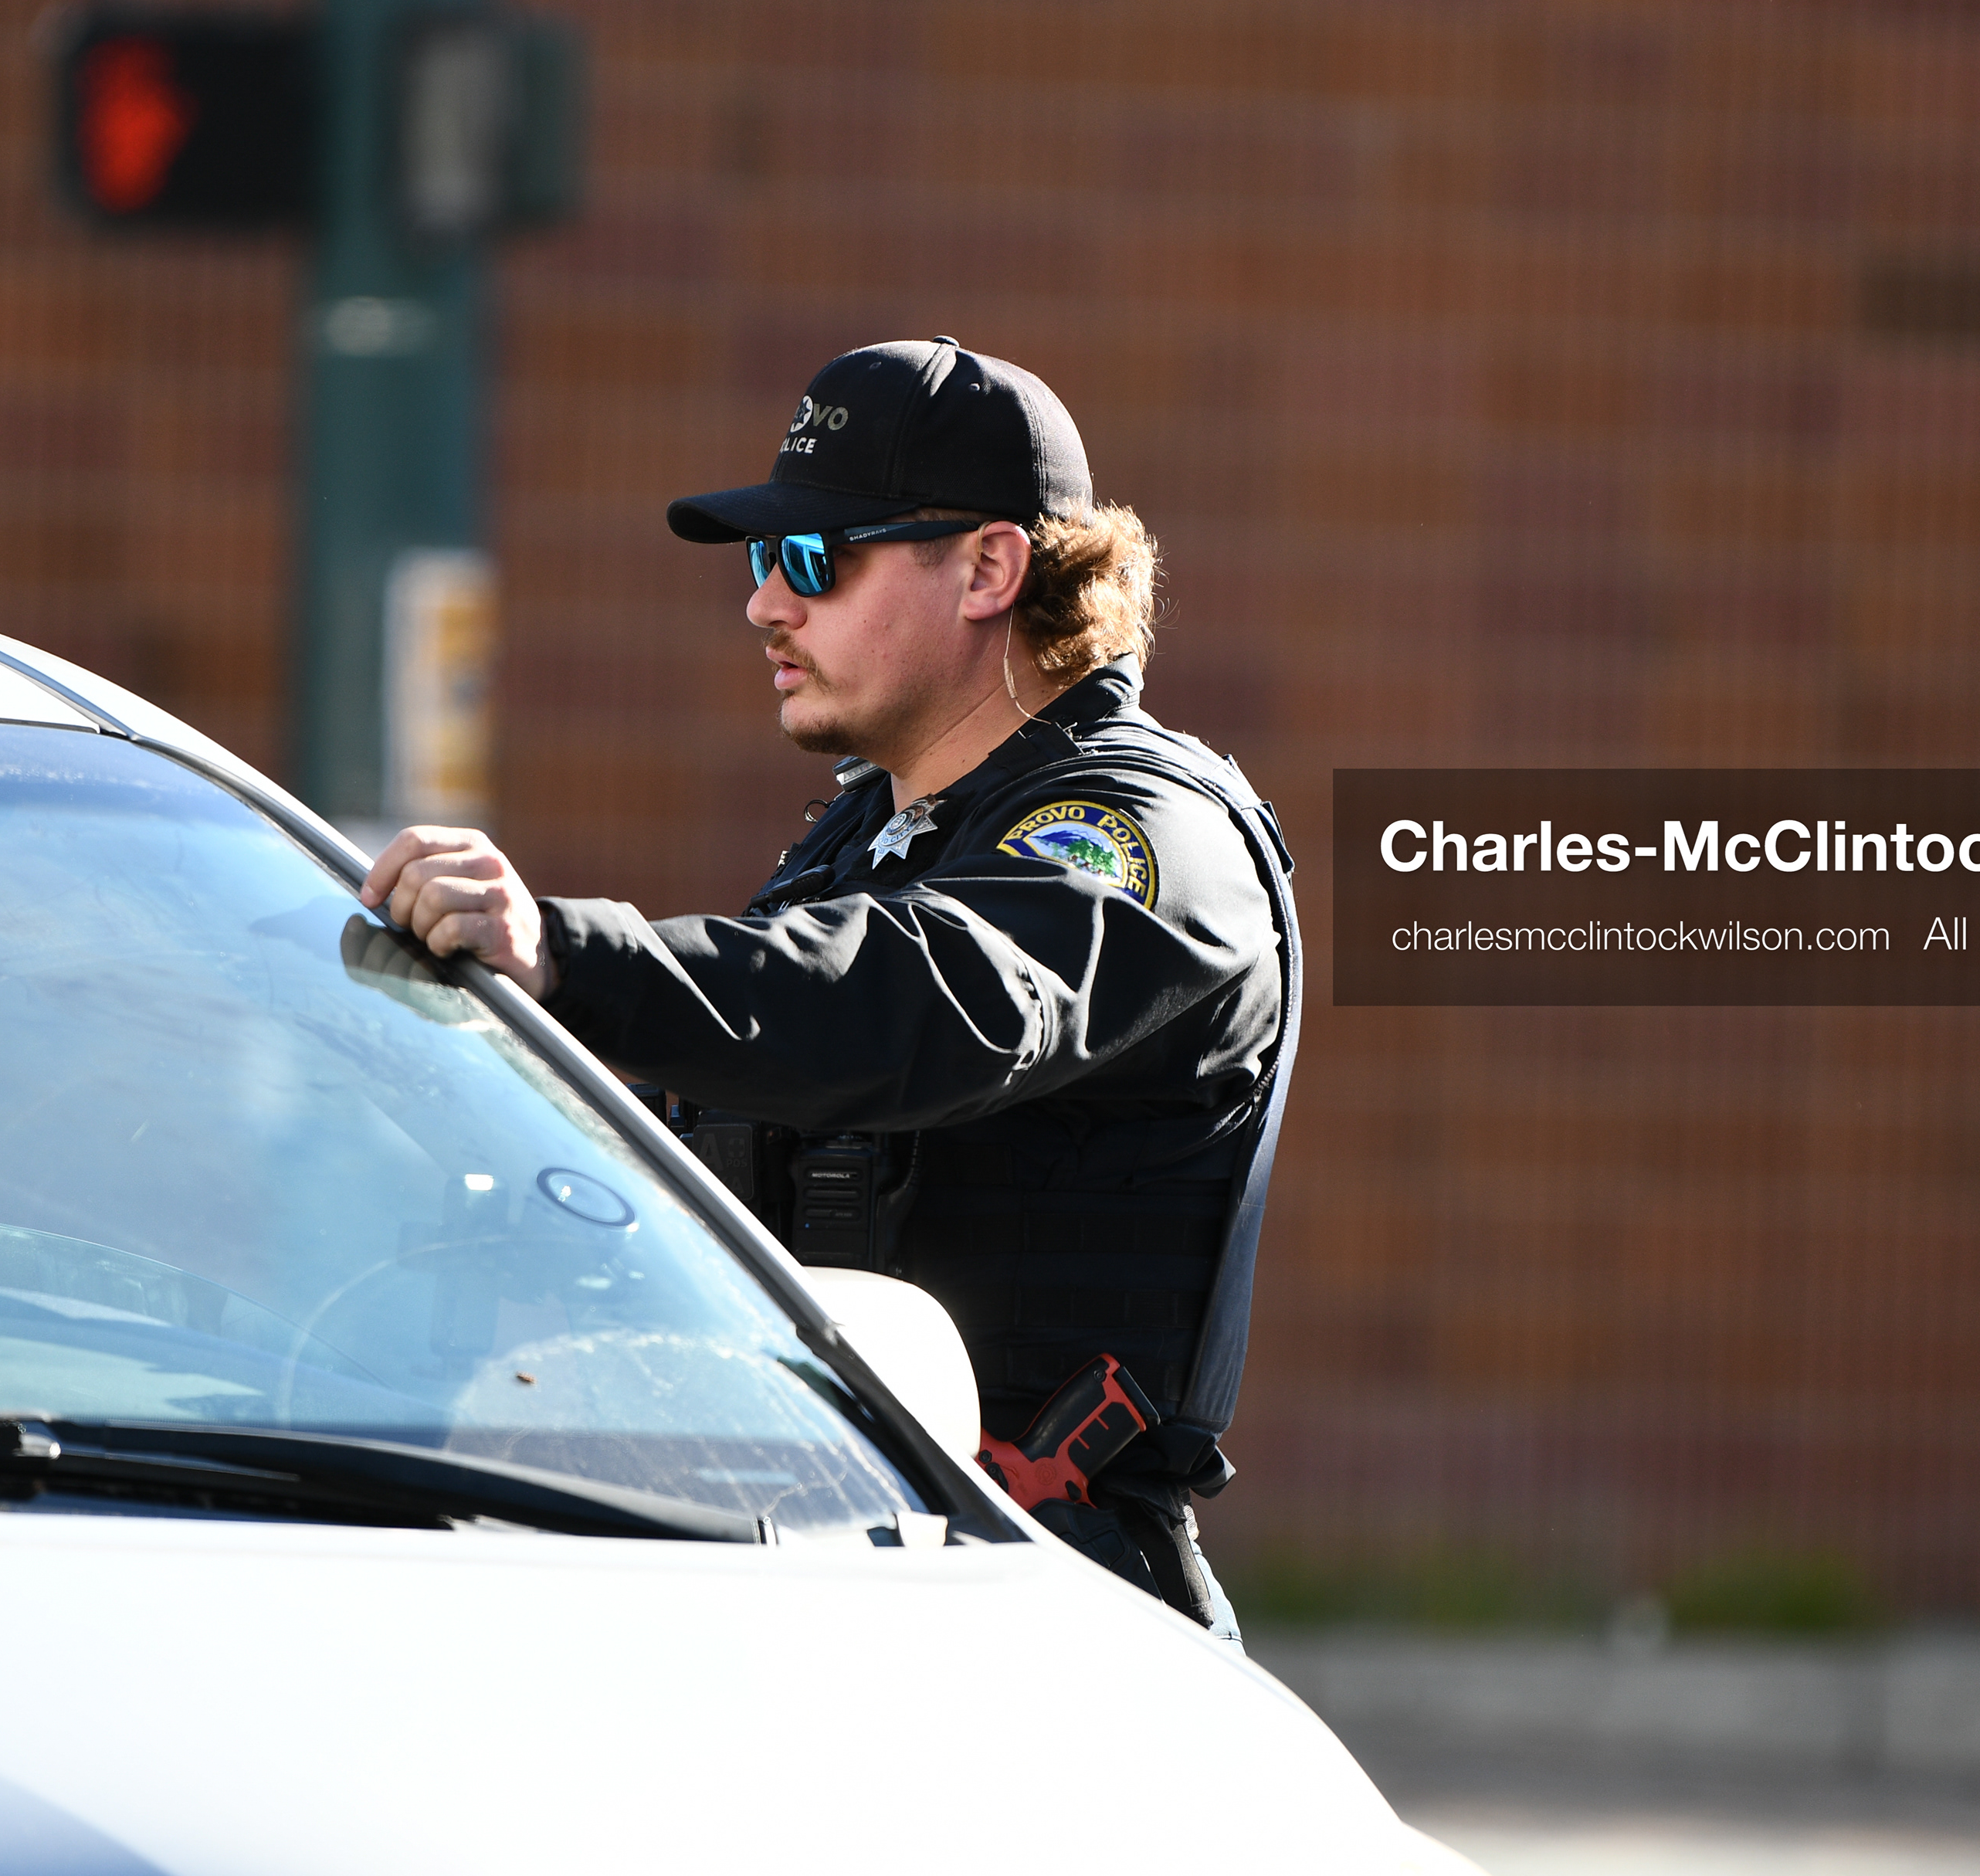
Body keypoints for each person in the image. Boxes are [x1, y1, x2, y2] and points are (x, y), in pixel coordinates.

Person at [362, 337, 1299, 1633]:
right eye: (763, 561)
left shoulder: (1145, 836)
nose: (765, 605)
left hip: (1045, 1612)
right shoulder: (865, 838)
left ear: (989, 568)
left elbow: (930, 1003)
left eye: (815, 561)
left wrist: (571, 954)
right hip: (822, 1571)